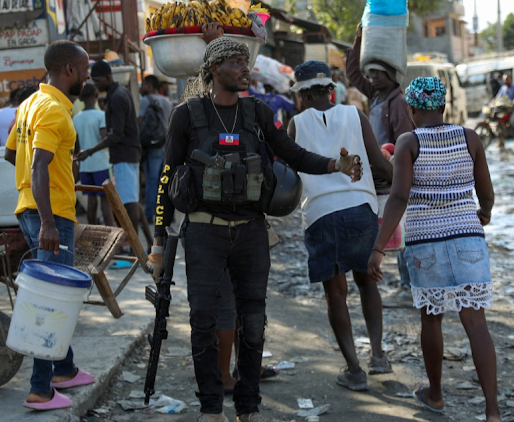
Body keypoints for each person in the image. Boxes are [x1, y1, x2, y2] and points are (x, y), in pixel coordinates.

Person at [148, 36, 363, 422]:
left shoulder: (258, 113)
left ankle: (248, 408)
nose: (244, 68)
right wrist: (159, 239)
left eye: (245, 61)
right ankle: (211, 408)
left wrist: (336, 165)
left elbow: (291, 153)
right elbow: (167, 178)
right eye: (235, 61)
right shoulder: (187, 115)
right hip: (203, 233)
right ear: (215, 69)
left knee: (253, 323)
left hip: (250, 231)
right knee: (203, 323)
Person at [367, 77, 501, 422]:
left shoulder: (407, 142)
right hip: (467, 236)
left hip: (426, 241)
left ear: (411, 110)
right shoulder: (470, 137)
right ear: (443, 106)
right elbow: (486, 193)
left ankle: (436, 396)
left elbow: (398, 197)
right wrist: (483, 214)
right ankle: (492, 411)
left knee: (432, 318)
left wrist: (378, 248)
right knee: (476, 322)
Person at [288, 61, 394, 391]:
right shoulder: (354, 115)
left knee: (336, 294)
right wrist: (407, 187)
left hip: (320, 215)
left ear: (301, 95)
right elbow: (378, 161)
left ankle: (354, 370)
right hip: (360, 209)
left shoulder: (295, 124)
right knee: (368, 283)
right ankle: (377, 355)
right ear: (331, 90)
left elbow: (290, 175)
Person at [4, 39, 96, 411]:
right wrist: (48, 222)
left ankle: (65, 368)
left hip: (30, 209)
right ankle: (41, 388)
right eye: (86, 70)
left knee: (55, 294)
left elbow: (13, 154)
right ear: (69, 70)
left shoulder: (29, 104)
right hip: (51, 215)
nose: (88, 76)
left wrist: (58, 170)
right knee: (52, 301)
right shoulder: (55, 111)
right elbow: (38, 164)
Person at [346, 24, 415, 298]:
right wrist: (358, 40)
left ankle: (409, 283)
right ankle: (400, 280)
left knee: (400, 225)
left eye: (378, 73)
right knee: (389, 225)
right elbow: (353, 74)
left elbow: (405, 139)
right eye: (371, 73)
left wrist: (397, 168)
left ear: (391, 74)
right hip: (378, 171)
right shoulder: (377, 95)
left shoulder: (396, 102)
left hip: (391, 170)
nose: (372, 77)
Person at [77, 61, 152, 245]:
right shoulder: (118, 94)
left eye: (98, 80)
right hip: (127, 153)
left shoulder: (117, 97)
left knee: (128, 203)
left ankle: (132, 245)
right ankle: (150, 242)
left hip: (124, 154)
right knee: (132, 199)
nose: (96, 84)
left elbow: (116, 135)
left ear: (108, 77)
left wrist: (91, 151)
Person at [73, 83, 114, 226]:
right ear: (96, 96)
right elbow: (104, 138)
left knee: (91, 201)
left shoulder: (75, 118)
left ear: (80, 98)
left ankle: (93, 234)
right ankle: (112, 234)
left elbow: (76, 145)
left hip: (84, 165)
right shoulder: (101, 115)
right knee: (105, 201)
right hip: (101, 163)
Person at [139, 75, 174, 223]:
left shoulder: (146, 100)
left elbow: (140, 122)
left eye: (143, 85)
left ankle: (149, 215)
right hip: (166, 144)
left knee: (152, 181)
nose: (141, 88)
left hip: (153, 145)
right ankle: (169, 215)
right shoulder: (167, 102)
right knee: (166, 180)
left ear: (148, 85)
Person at [496, 74, 514, 148]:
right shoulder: (503, 88)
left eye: (507, 79)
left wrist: (513, 104)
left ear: (511, 79)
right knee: (499, 121)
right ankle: (501, 141)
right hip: (506, 109)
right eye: (505, 79)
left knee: (512, 122)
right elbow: (498, 97)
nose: (506, 81)